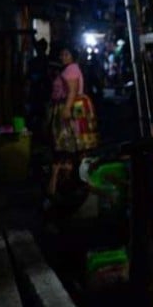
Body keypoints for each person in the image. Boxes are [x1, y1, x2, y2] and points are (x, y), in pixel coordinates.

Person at [48, 45, 100, 197]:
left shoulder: (71, 69)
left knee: (69, 143)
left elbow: (72, 90)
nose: (63, 57)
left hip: (71, 108)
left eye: (66, 54)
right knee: (72, 145)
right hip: (69, 107)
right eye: (61, 54)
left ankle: (76, 179)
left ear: (72, 56)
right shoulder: (67, 69)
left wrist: (66, 109)